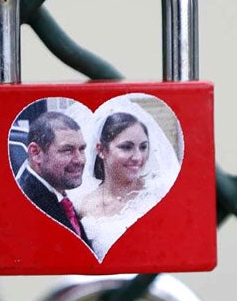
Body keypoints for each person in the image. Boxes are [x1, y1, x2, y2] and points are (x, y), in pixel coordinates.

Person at [71, 107, 176, 260]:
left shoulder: (160, 193)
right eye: (126, 147)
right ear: (101, 150)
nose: (138, 157)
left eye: (143, 147)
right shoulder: (83, 207)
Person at [17, 110, 91, 248]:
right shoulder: (27, 205)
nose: (79, 160)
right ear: (36, 153)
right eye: (67, 150)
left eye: (82, 149)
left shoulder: (55, 194)